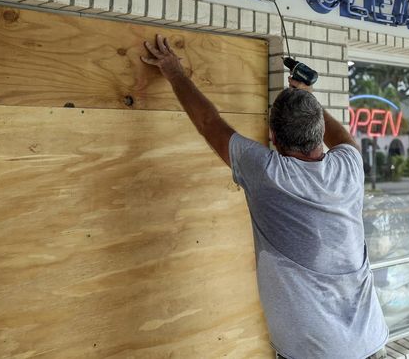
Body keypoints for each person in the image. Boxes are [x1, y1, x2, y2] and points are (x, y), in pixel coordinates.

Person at [141, 34, 388, 359]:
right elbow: (342, 138)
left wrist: (173, 71)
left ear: (273, 137)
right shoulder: (350, 166)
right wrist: (306, 97)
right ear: (318, 133)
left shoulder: (269, 175)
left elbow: (208, 122)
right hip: (372, 341)